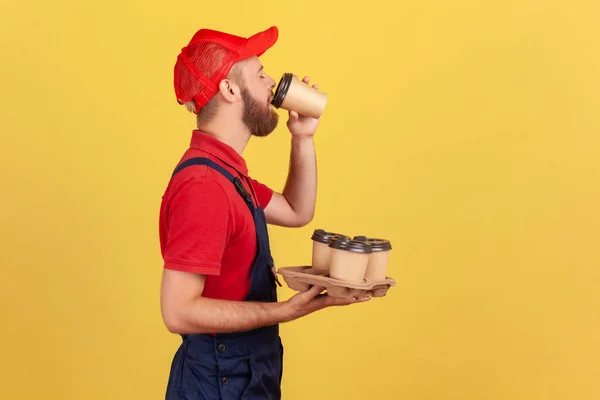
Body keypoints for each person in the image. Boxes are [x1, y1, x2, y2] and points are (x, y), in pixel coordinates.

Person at [158, 25, 369, 400]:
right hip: (219, 379)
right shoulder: (205, 185)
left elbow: (296, 210)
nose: (272, 82)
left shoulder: (228, 174)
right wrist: (284, 311)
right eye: (259, 73)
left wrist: (302, 137)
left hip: (243, 373)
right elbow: (177, 312)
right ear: (229, 89)